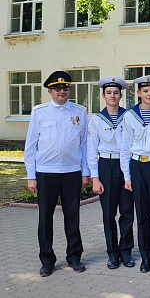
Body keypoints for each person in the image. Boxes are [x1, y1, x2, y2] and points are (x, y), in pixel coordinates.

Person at [24, 70, 90, 277]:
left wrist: (85, 172)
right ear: (50, 91)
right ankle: (47, 260)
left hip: (71, 172)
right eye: (58, 88)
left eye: (66, 87)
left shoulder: (79, 112)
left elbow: (85, 145)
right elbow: (30, 146)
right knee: (45, 218)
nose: (62, 91)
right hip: (46, 173)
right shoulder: (39, 112)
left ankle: (74, 257)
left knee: (73, 216)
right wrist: (31, 175)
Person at [87, 76, 135, 269]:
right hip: (106, 166)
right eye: (109, 93)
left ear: (121, 95)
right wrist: (95, 178)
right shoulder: (96, 120)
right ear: (103, 96)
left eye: (116, 92)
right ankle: (112, 253)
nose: (112, 96)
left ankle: (126, 251)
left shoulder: (129, 117)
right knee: (108, 214)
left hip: (126, 167)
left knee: (127, 212)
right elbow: (91, 151)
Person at [120, 75, 150, 273]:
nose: (149, 94)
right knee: (141, 215)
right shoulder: (130, 116)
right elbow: (125, 148)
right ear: (138, 93)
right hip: (137, 166)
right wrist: (127, 176)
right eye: (145, 91)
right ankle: (145, 257)